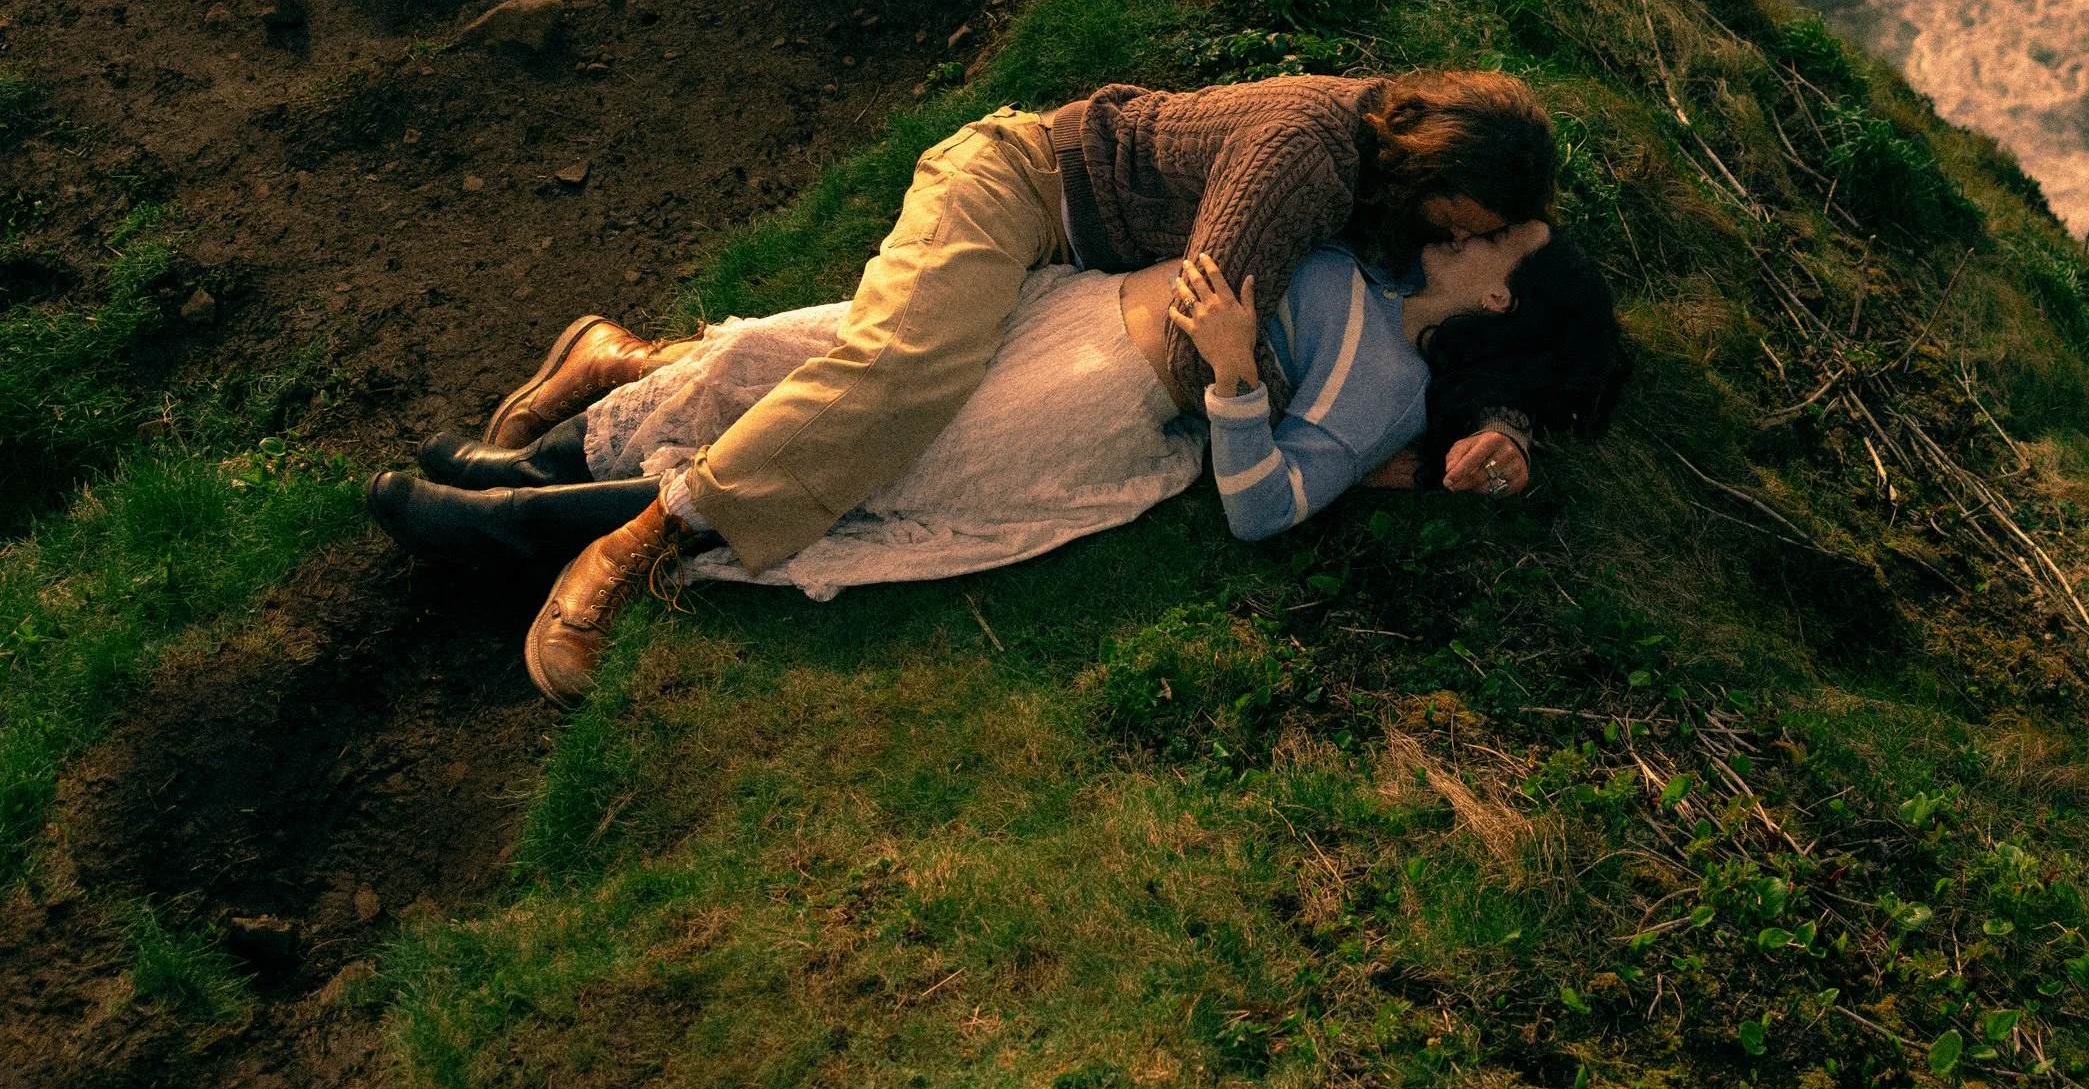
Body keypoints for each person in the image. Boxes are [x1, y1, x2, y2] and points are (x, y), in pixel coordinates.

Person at [446, 70, 1558, 697]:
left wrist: (1394, 430)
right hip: (1021, 191)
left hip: (1079, 262)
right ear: (1442, 182)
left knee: (859, 370)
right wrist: (1306, 422)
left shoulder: (1391, 183)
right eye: (1486, 221)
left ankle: (622, 362)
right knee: (898, 377)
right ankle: (640, 542)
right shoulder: (1310, 158)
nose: (1487, 238)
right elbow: (1195, 335)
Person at [367, 219, 1626, 688]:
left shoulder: (1396, 392)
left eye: (1503, 241)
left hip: (1100, 409)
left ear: (1504, 300)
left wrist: (1239, 374)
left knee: (862, 464)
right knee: (813, 367)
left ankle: (506, 527)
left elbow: (1261, 506)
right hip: (1073, 304)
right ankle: (522, 476)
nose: (1476, 224)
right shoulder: (1370, 238)